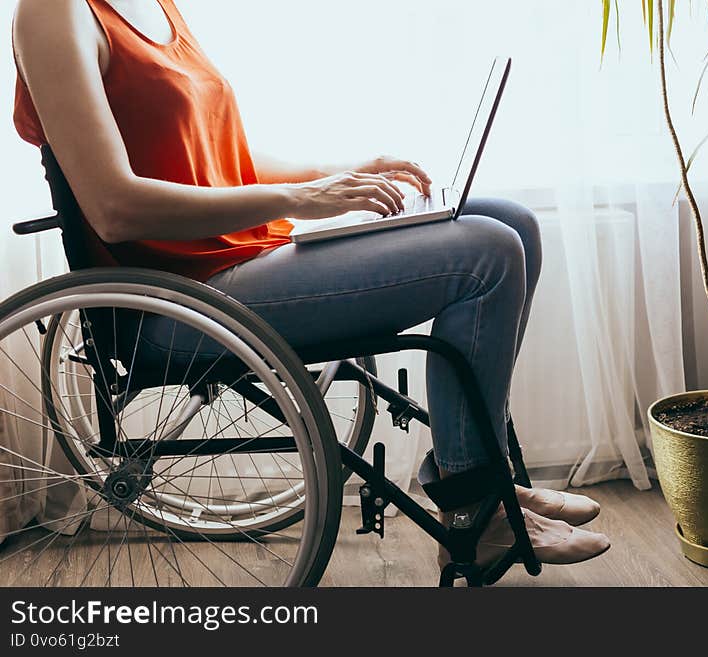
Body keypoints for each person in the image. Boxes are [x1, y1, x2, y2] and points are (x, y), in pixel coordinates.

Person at [11, 0, 610, 565]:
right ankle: (477, 508)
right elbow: (114, 208)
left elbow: (224, 161)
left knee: (514, 222)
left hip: (243, 260)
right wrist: (303, 198)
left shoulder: (157, 7)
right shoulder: (54, 12)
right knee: (489, 253)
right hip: (181, 301)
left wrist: (340, 174)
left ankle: (486, 474)